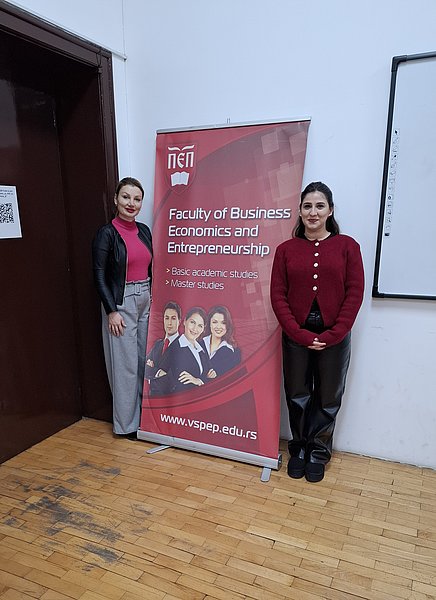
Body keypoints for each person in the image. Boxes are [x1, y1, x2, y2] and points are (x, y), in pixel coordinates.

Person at [270, 181, 364, 483]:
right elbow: (278, 295)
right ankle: (299, 448)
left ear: (330, 211)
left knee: (327, 397)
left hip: (335, 336)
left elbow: (355, 293)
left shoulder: (348, 247)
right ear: (300, 211)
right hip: (295, 335)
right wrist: (298, 334)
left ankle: (318, 452)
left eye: (319, 206)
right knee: (297, 394)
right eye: (307, 206)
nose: (313, 212)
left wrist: (335, 333)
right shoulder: (285, 250)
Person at [92, 177, 152, 439]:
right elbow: (99, 275)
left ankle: (145, 420)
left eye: (137, 199)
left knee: (144, 362)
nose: (131, 203)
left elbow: (149, 267)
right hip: (121, 301)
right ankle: (127, 426)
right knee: (125, 366)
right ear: (116, 199)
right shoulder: (106, 234)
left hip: (145, 298)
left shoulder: (144, 231)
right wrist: (111, 311)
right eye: (126, 197)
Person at [153, 306, 215, 394]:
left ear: (203, 329)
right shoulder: (174, 347)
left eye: (200, 326)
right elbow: (165, 381)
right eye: (192, 322)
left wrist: (198, 381)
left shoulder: (201, 349)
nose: (195, 329)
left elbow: (212, 376)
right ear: (185, 321)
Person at [145, 301, 181, 393]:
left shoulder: (182, 345)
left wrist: (152, 373)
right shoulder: (158, 344)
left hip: (171, 398)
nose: (169, 323)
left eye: (173, 318)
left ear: (179, 321)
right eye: (167, 318)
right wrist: (159, 372)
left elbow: (171, 382)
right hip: (152, 397)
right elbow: (144, 368)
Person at [202, 305, 241, 376]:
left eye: (223, 323)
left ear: (227, 325)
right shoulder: (198, 344)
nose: (218, 327)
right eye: (215, 322)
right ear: (209, 323)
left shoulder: (233, 353)